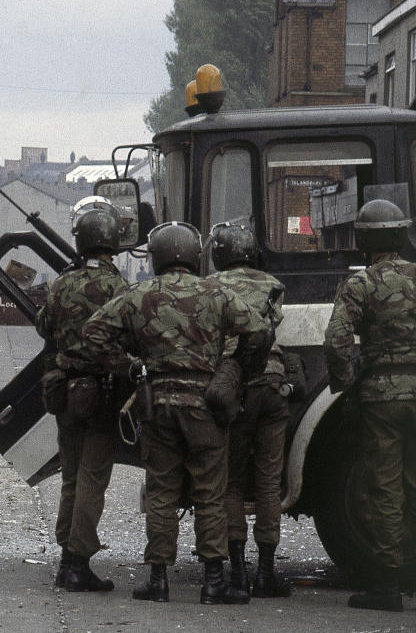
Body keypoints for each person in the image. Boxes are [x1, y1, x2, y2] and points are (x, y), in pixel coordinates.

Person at [81, 221, 271, 605]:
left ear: (157, 258)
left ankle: (158, 580)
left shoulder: (139, 294)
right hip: (206, 407)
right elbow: (260, 329)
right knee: (210, 492)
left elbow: (93, 332)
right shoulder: (215, 292)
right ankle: (214, 581)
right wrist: (236, 370)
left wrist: (129, 367)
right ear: (194, 255)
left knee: (162, 493)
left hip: (157, 406)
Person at [323, 199, 415, 612]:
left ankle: (387, 586)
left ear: (364, 240)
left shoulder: (361, 284)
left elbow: (337, 339)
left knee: (384, 488)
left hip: (382, 399)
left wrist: (346, 387)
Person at [35, 205, 128, 592]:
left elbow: (44, 326)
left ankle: (65, 558)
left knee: (71, 476)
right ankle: (78, 561)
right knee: (92, 477)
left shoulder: (62, 283)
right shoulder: (118, 288)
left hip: (64, 392)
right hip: (101, 394)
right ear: (111, 245)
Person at [209, 223, 291, 598]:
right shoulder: (273, 284)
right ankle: (267, 573)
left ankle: (238, 572)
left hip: (237, 386)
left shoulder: (211, 286)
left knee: (234, 482)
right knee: (269, 483)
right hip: (273, 385)